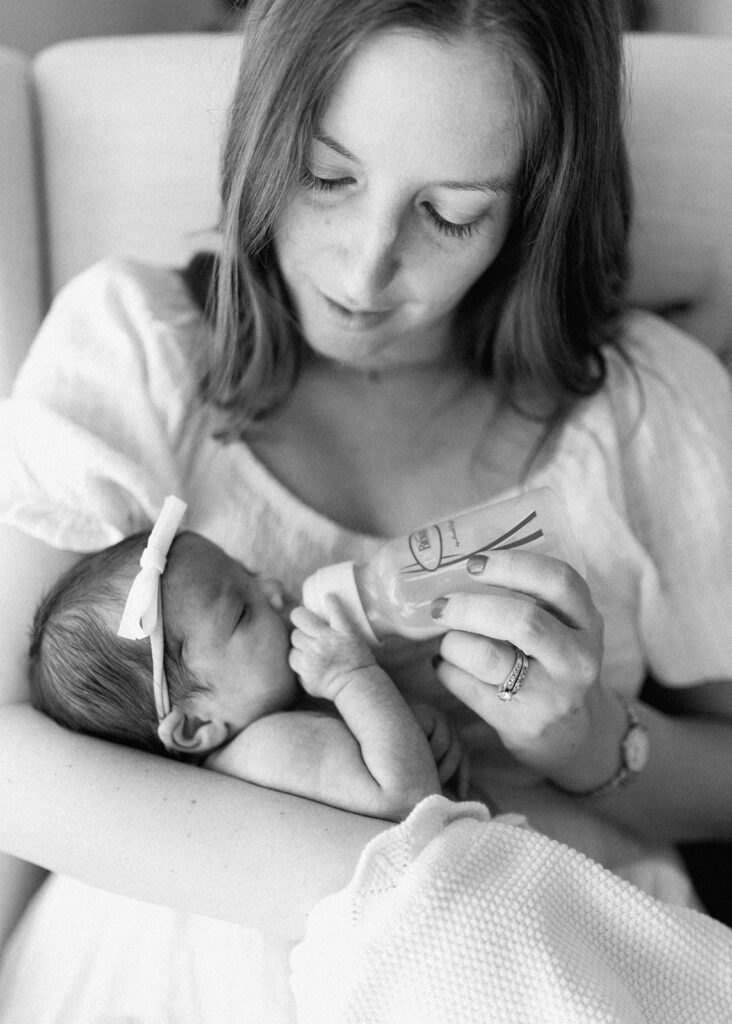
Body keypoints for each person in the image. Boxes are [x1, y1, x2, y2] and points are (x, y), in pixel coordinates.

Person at [1, 0, 731, 1019]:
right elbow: (8, 749)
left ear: (540, 202)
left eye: (451, 213)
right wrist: (425, 889)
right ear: (262, 127)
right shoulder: (134, 349)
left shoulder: (657, 412)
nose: (363, 265)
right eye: (327, 174)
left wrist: (598, 745)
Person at [29, 498, 466, 820]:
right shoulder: (267, 749)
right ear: (196, 726)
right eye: (241, 612)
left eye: (250, 574)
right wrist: (354, 679)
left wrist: (406, 731)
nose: (274, 588)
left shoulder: (279, 720)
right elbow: (407, 799)